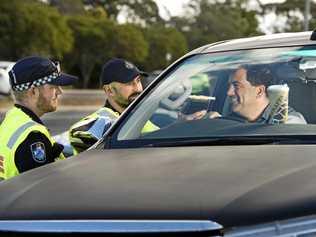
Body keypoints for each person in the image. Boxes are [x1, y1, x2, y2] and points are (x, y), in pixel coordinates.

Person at [0, 56, 77, 180]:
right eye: (53, 86)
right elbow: (43, 193)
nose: (60, 91)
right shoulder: (33, 137)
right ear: (33, 91)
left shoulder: (12, 119)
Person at [68, 58, 158, 154]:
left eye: (138, 80)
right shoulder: (96, 124)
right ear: (109, 90)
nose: (138, 88)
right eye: (129, 83)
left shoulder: (138, 117)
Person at [225, 65, 306, 124]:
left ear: (259, 91)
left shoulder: (287, 122)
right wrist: (216, 123)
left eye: (236, 86)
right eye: (229, 86)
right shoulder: (229, 121)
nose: (229, 92)